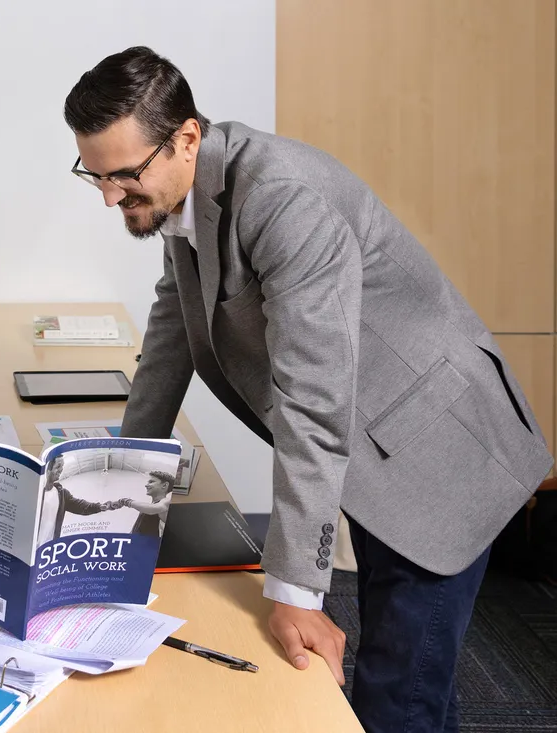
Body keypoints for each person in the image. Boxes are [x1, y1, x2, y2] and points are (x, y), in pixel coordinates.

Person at [63, 46, 552, 732]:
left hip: (440, 455)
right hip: (373, 448)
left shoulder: (281, 197)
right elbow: (173, 335)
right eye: (95, 175)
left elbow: (313, 401)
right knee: (405, 684)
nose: (111, 197)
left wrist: (294, 590)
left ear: (186, 138)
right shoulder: (188, 192)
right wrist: (122, 478)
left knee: (397, 699)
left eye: (125, 175)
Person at [35, 455, 122, 545]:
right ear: (47, 471)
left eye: (62, 466)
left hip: (48, 547)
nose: (61, 470)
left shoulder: (62, 494)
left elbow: (81, 506)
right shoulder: (36, 492)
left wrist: (100, 507)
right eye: (58, 466)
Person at [121, 470, 175, 537]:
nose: (146, 485)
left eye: (151, 482)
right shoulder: (147, 508)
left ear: (164, 485)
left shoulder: (166, 505)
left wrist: (125, 501)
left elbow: (156, 508)